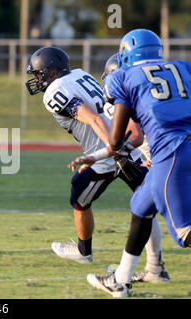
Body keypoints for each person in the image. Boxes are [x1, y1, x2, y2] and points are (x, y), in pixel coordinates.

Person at [25, 47, 167, 282]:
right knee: (145, 207)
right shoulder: (80, 74)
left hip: (107, 152)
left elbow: (94, 117)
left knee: (79, 196)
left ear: (50, 73)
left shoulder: (53, 92)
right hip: (125, 146)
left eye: (39, 73)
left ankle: (83, 251)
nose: (36, 79)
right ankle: (156, 267)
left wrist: (113, 149)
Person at [81, 29, 191, 297]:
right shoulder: (183, 67)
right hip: (178, 148)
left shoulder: (122, 76)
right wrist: (95, 156)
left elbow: (117, 139)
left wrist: (105, 152)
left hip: (171, 153)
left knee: (185, 234)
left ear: (126, 54)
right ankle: (120, 280)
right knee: (141, 206)